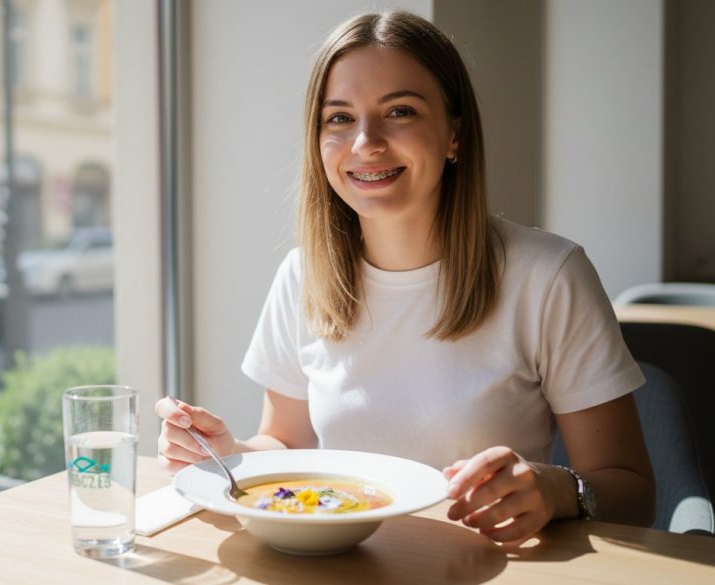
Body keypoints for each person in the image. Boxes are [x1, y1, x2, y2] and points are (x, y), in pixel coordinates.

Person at [155, 11, 655, 543]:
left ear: (454, 135)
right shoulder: (303, 275)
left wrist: (555, 491)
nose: (366, 142)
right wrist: (227, 453)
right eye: (339, 118)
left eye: (399, 111)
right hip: (341, 569)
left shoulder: (548, 275)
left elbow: (633, 494)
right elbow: (284, 445)